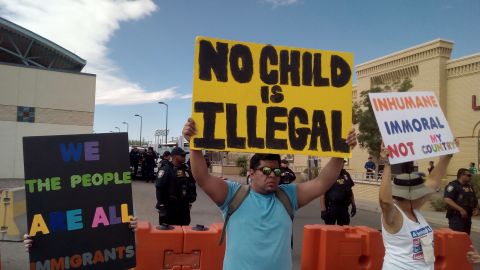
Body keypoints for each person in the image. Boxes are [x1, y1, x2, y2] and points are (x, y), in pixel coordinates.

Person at [182, 118, 357, 270]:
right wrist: (194, 145)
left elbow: (322, 182)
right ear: (251, 172)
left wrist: (340, 153)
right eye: (265, 170)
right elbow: (202, 177)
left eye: (277, 171)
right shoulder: (233, 195)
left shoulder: (288, 196)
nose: (272, 175)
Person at [379, 143, 454, 270]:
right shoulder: (394, 215)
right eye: (420, 193)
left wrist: (447, 156)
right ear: (410, 196)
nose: (423, 196)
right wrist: (387, 163)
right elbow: (385, 202)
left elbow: (433, 183)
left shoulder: (414, 209)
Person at [155, 147, 197, 226]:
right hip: (169, 206)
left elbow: (192, 184)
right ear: (174, 156)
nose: (184, 157)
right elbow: (159, 188)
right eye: (182, 155)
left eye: (185, 155)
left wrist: (191, 197)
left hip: (183, 206)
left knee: (184, 229)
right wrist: (161, 205)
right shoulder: (166, 169)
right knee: (169, 232)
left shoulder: (186, 170)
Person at [320, 160, 356, 225]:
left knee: (344, 231)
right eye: (340, 162)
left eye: (343, 163)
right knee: (330, 231)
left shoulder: (346, 175)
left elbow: (350, 191)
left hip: (344, 208)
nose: (342, 164)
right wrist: (323, 210)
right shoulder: (329, 174)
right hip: (332, 208)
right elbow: (322, 194)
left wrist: (353, 205)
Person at [444, 168, 478, 235]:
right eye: (468, 175)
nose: (470, 177)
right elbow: (447, 199)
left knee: (465, 238)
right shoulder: (453, 185)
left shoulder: (469, 187)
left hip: (467, 217)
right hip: (456, 218)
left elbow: (474, 198)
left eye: (470, 175)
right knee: (457, 238)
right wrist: (460, 209)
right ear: (461, 175)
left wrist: (476, 208)